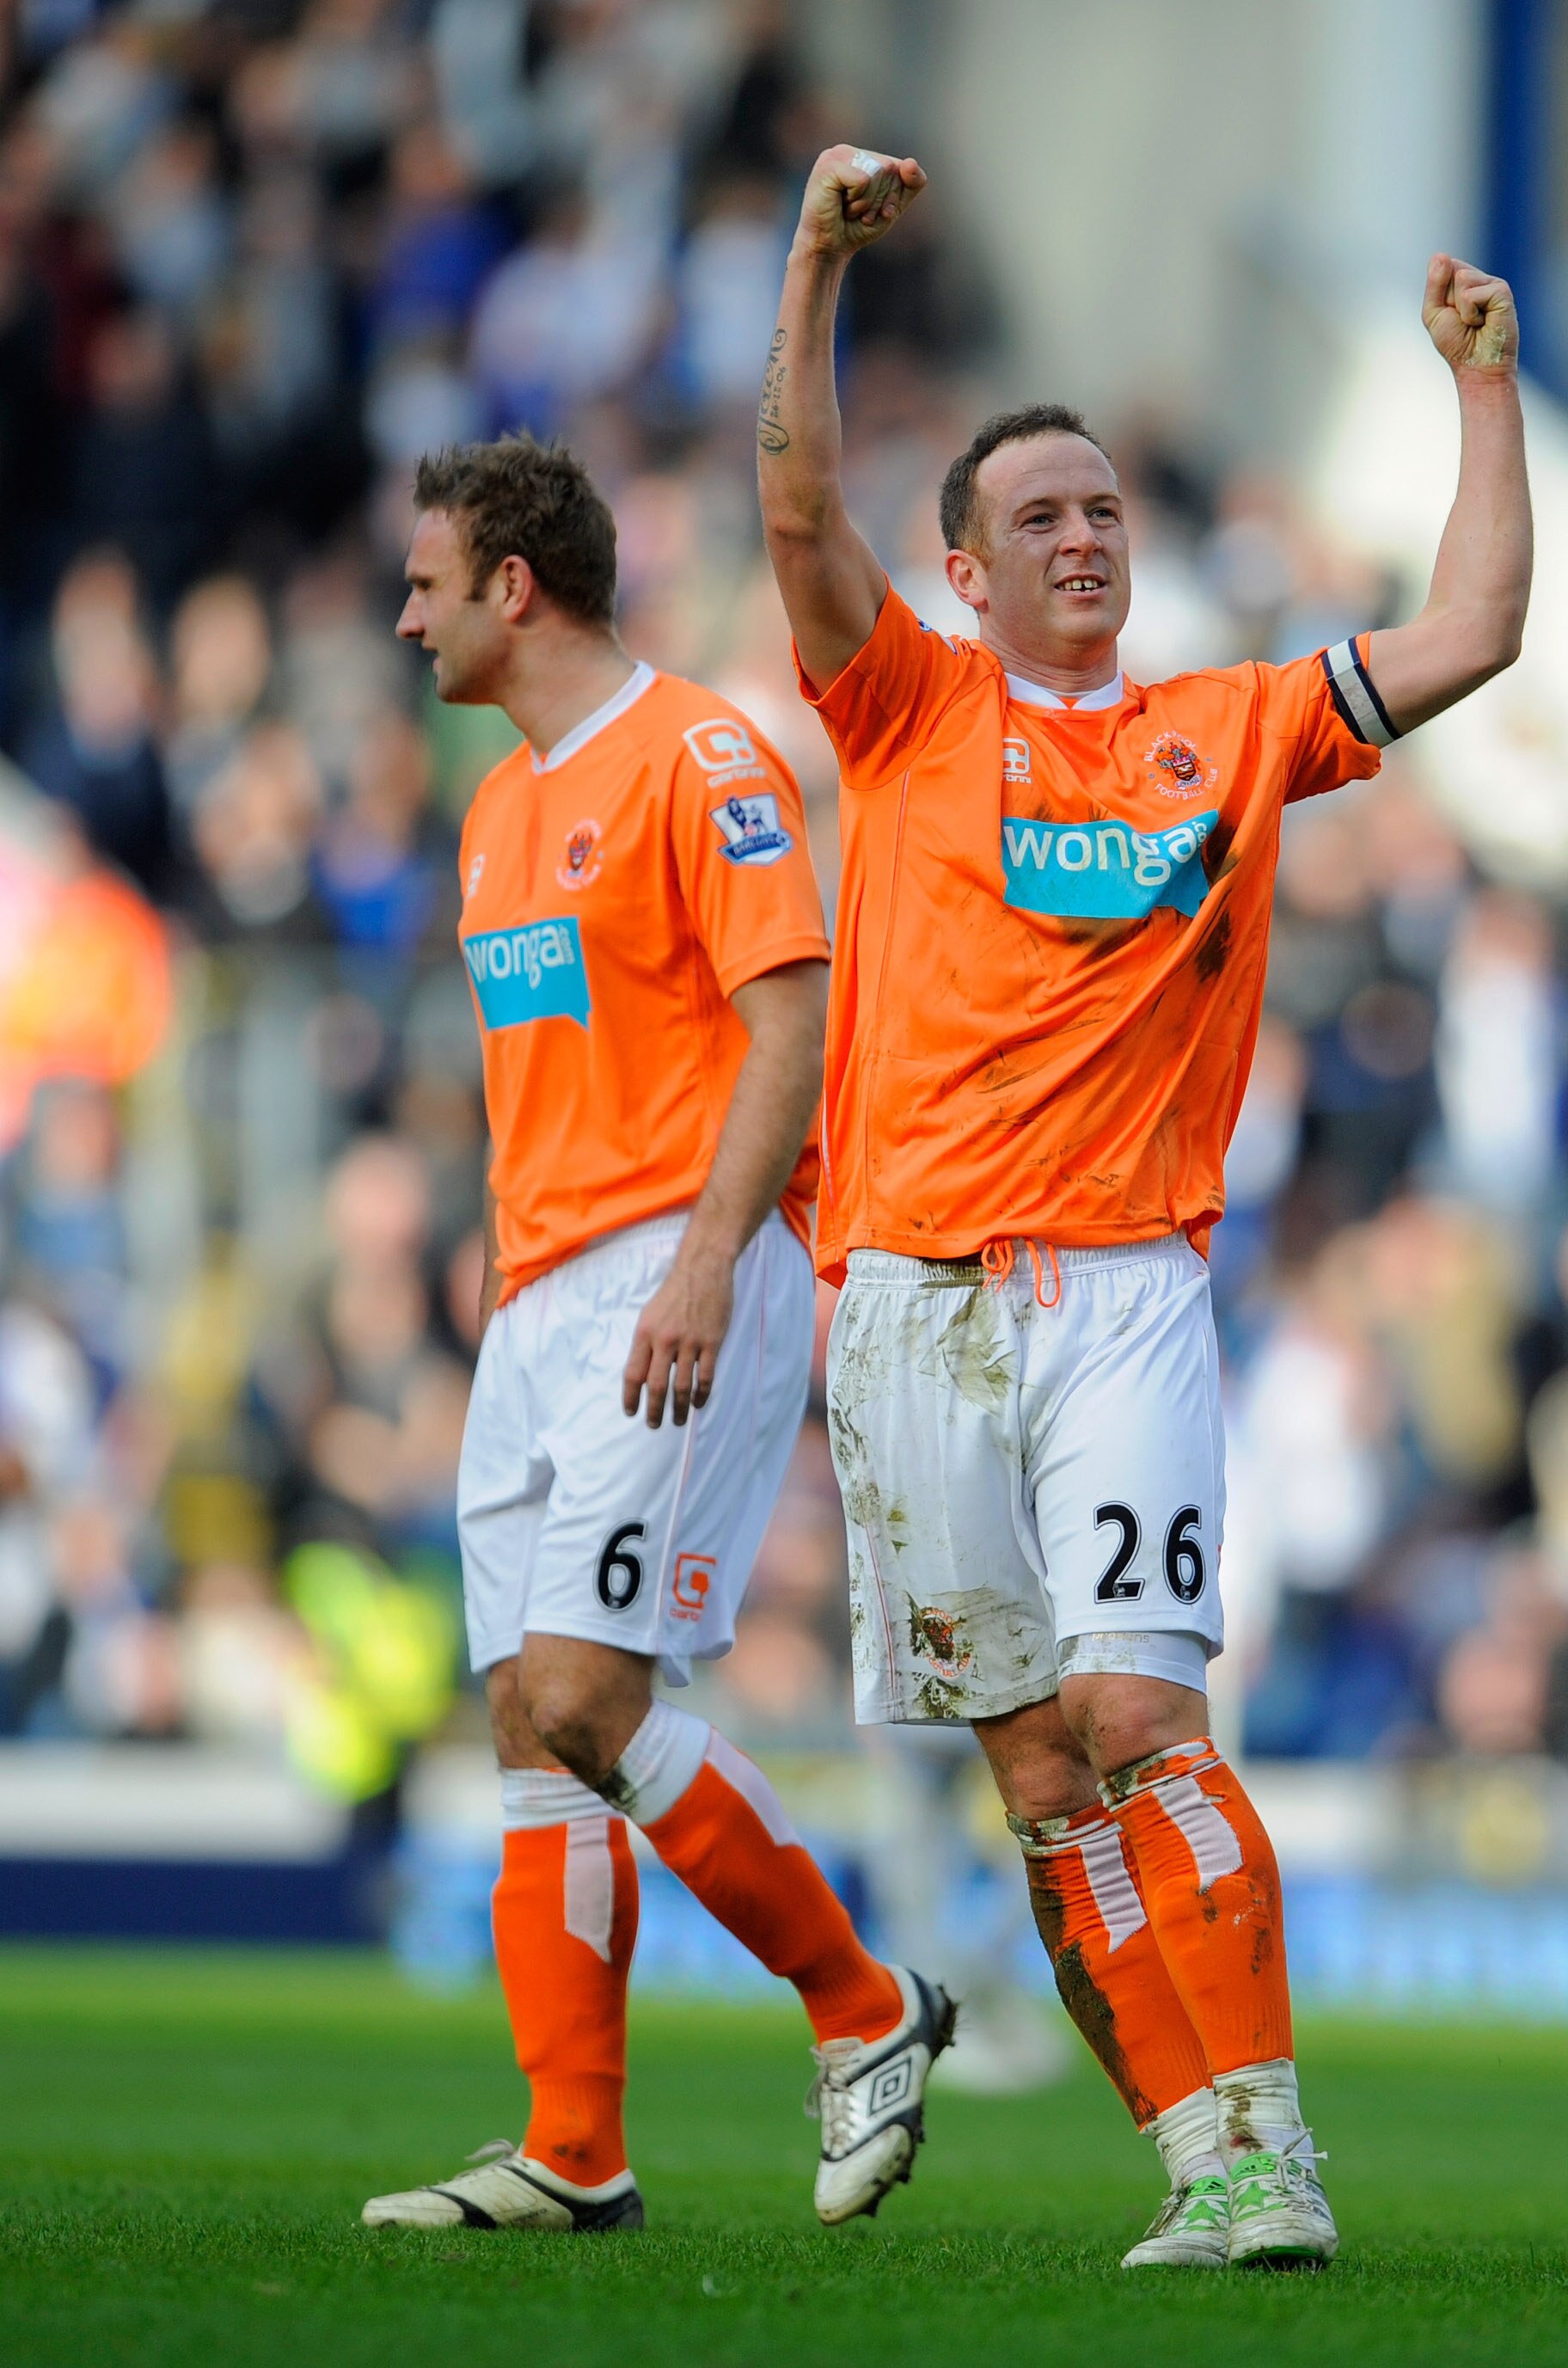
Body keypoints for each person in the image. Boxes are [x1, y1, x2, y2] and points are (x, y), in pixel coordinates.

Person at [757, 146, 1531, 2268]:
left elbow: (1471, 628)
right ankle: (1194, 2155)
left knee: (1136, 1719)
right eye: (1039, 518)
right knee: (1029, 1776)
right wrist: (817, 258)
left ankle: (1274, 2148)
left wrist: (1483, 390)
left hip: (1122, 1292)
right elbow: (798, 515)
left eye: (1103, 508)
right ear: (967, 572)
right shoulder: (904, 705)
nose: (1084, 536)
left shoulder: (1230, 728)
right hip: (906, 1303)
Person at [362, 435, 953, 2237]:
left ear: (512, 587)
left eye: (426, 582)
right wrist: (496, 1280)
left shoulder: (700, 757)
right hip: (541, 1298)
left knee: (590, 1693)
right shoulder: (493, 811)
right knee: (527, 1731)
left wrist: (705, 1259)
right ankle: (574, 2151)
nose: (406, 617)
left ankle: (865, 2009)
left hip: (677, 1271)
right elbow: (530, 1080)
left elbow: (790, 1019)